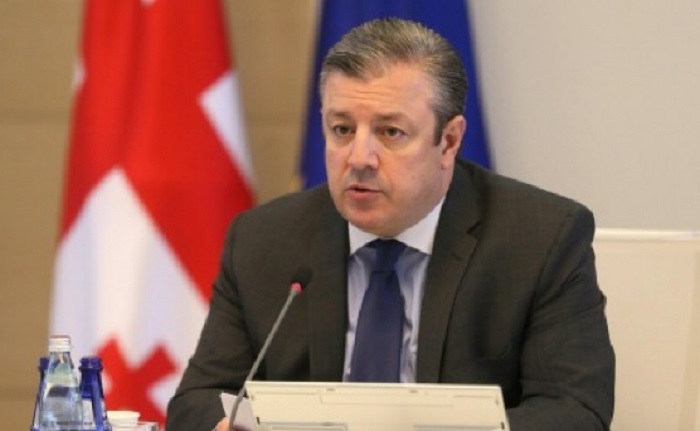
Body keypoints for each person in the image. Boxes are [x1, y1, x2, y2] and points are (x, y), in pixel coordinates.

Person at [166, 18, 615, 431]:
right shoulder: (264, 240)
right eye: (342, 129)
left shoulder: (541, 239)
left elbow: (575, 411)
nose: (359, 158)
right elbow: (196, 402)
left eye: (390, 132)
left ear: (449, 141)